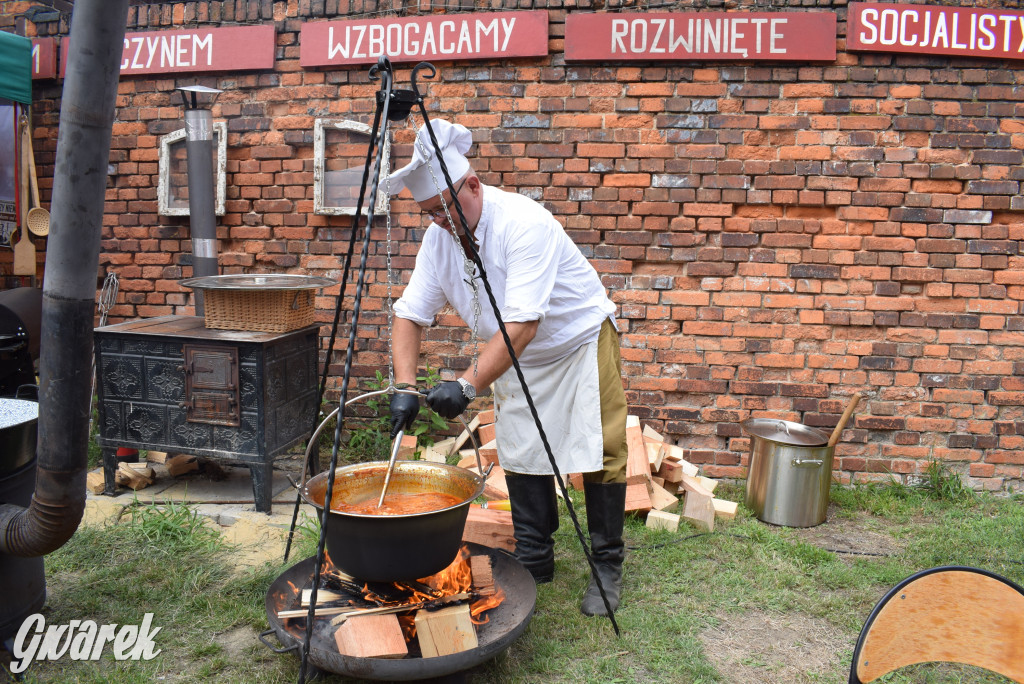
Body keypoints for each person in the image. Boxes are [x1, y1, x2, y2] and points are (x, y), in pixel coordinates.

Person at [386, 119, 628, 616]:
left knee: (603, 447)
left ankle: (608, 563)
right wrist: (405, 386)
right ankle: (536, 559)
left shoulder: (524, 224)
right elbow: (409, 314)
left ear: (473, 185)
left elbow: (522, 326)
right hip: (514, 353)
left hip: (575, 340)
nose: (438, 223)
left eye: (443, 209)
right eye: (428, 214)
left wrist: (466, 383)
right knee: (520, 448)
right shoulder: (439, 242)